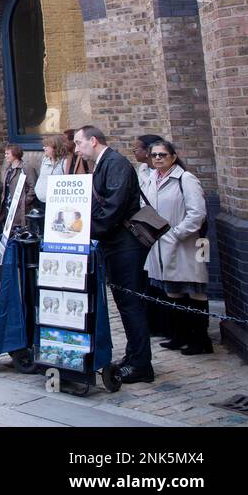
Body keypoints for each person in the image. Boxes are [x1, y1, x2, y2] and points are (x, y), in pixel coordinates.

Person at [75, 126, 154, 384]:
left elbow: (113, 208)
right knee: (125, 304)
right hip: (114, 243)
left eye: (79, 143)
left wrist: (86, 231)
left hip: (125, 244)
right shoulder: (103, 164)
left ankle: (141, 364)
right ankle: (134, 356)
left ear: (93, 141)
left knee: (131, 304)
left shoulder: (115, 163)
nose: (77, 149)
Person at [143, 141, 211, 355]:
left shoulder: (186, 179)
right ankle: (179, 335)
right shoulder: (151, 179)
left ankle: (200, 340)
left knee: (194, 291)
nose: (157, 158)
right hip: (160, 244)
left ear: (173, 157)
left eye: (162, 155)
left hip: (186, 244)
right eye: (154, 155)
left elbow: (197, 214)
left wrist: (175, 234)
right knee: (172, 291)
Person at [0, 145, 35, 236]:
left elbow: (33, 186)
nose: (5, 156)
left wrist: (25, 201)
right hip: (8, 205)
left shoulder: (26, 168)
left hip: (20, 207)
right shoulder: (8, 169)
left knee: (20, 232)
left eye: (7, 154)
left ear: (15, 154)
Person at [35, 134, 67, 205]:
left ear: (55, 147)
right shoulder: (45, 160)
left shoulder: (64, 162)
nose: (44, 148)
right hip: (40, 200)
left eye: (46, 146)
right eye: (44, 146)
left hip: (55, 202)